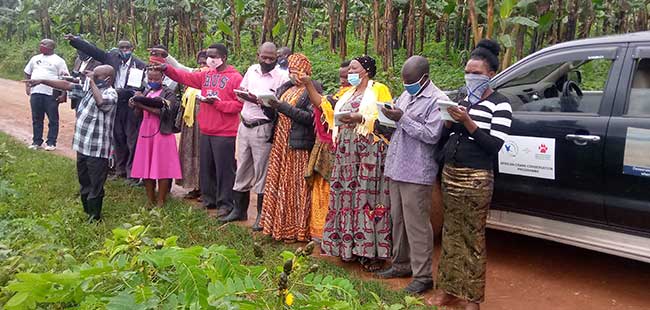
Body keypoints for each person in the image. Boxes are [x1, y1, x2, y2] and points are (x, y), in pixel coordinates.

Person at [432, 40, 512, 310]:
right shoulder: (462, 100)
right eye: (468, 71)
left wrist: (467, 121)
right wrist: (448, 122)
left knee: (473, 237)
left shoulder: (501, 105)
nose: (470, 76)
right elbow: (447, 137)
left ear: (490, 74)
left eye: (476, 72)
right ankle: (447, 291)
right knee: (451, 234)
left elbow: (494, 145)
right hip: (451, 174)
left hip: (476, 178)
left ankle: (472, 298)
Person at [375, 56, 449, 294]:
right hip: (397, 166)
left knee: (417, 225)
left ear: (425, 78)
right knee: (398, 220)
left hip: (417, 171)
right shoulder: (407, 95)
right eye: (404, 81)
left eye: (410, 81)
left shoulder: (438, 100)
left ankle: (423, 275)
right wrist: (388, 116)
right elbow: (399, 121)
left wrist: (402, 118)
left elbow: (431, 135)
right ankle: (401, 264)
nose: (406, 86)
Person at [320, 55, 393, 272]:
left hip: (370, 151)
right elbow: (330, 115)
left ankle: (372, 252)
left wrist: (361, 119)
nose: (350, 72)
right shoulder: (347, 93)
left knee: (368, 198)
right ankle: (347, 246)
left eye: (354, 68)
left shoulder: (379, 89)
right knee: (346, 197)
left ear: (367, 70)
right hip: (346, 152)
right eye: (350, 68)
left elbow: (388, 120)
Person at [154, 43, 243, 217]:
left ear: (223, 58)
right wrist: (166, 67)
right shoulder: (205, 75)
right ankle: (209, 200)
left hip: (224, 132)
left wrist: (217, 104)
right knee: (206, 167)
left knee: (224, 170)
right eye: (208, 56)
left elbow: (239, 104)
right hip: (206, 129)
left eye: (214, 56)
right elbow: (185, 77)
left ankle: (225, 204)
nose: (210, 59)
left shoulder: (235, 78)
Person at [23, 65, 118, 221]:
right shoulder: (88, 89)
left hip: (98, 149)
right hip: (82, 145)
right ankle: (87, 211)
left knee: (96, 184)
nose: (92, 79)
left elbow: (101, 103)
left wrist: (92, 82)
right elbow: (67, 86)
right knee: (84, 180)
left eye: (97, 77)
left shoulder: (111, 93)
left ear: (107, 79)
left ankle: (95, 217)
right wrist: (42, 81)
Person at [222, 42, 288, 227]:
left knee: (262, 171)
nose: (267, 61)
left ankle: (261, 215)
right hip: (245, 124)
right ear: (258, 54)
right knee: (242, 166)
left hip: (263, 126)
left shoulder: (282, 77)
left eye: (271, 58)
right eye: (264, 57)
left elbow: (282, 104)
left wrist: (264, 102)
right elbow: (241, 92)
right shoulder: (251, 70)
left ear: (277, 58)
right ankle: (239, 210)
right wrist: (244, 94)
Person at [65, 35, 147, 184]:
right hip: (113, 103)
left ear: (132, 49)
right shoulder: (111, 58)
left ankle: (132, 174)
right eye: (121, 48)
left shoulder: (140, 65)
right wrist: (75, 41)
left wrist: (130, 95)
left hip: (130, 104)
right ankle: (119, 170)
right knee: (117, 137)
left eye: (127, 48)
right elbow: (93, 50)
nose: (124, 50)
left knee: (131, 139)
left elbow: (138, 87)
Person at [260, 53, 321, 242]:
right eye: (291, 72)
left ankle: (296, 230)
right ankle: (277, 226)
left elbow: (310, 118)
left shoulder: (313, 89)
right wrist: (268, 105)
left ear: (306, 72)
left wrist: (282, 106)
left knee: (295, 188)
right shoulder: (285, 87)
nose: (294, 75)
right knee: (280, 186)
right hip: (280, 142)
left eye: (298, 72)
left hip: (298, 145)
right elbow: (274, 114)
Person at [301, 60, 351, 241]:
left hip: (339, 150)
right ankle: (320, 232)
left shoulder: (351, 98)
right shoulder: (339, 94)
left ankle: (330, 234)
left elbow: (323, 105)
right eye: (342, 76)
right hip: (325, 148)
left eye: (347, 76)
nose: (343, 80)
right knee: (322, 190)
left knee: (332, 192)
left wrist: (308, 84)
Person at [129, 68, 181, 207]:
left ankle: (161, 200)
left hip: (162, 133)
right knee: (146, 166)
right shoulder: (146, 92)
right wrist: (135, 105)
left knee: (162, 167)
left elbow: (164, 112)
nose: (152, 82)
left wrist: (142, 104)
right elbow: (137, 115)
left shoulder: (169, 93)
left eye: (156, 79)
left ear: (162, 78)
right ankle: (150, 199)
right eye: (150, 79)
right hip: (146, 132)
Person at [171, 50, 208, 199]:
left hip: (203, 124)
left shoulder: (212, 79)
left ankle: (205, 188)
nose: (202, 66)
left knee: (202, 154)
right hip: (190, 125)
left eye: (205, 63)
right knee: (190, 153)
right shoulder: (193, 77)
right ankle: (195, 186)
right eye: (200, 63)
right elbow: (178, 67)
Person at [23, 38, 69, 151]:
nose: (41, 45)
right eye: (40, 44)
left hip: (51, 93)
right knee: (37, 118)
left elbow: (65, 79)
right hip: (36, 92)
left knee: (53, 119)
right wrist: (27, 86)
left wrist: (63, 94)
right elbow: (27, 72)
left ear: (51, 47)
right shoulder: (35, 58)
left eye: (44, 44)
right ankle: (36, 141)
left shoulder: (59, 61)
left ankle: (51, 142)